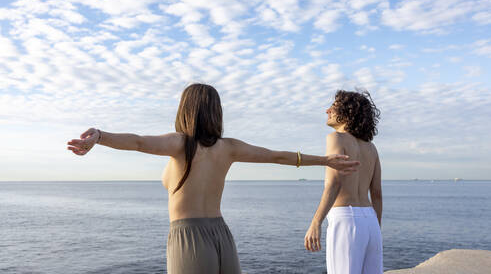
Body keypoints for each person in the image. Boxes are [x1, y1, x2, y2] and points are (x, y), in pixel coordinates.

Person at [67, 83, 360, 274]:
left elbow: (139, 142)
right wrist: (323, 160)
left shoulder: (180, 143)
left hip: (188, 237)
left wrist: (101, 137)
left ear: (185, 109)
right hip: (222, 235)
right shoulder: (227, 147)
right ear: (215, 111)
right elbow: (277, 156)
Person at [304, 90, 382, 274]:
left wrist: (316, 222)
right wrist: (375, 228)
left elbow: (334, 183)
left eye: (333, 106)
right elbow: (377, 193)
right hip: (371, 221)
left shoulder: (335, 138)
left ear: (348, 112)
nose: (327, 110)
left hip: (346, 219)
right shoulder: (371, 148)